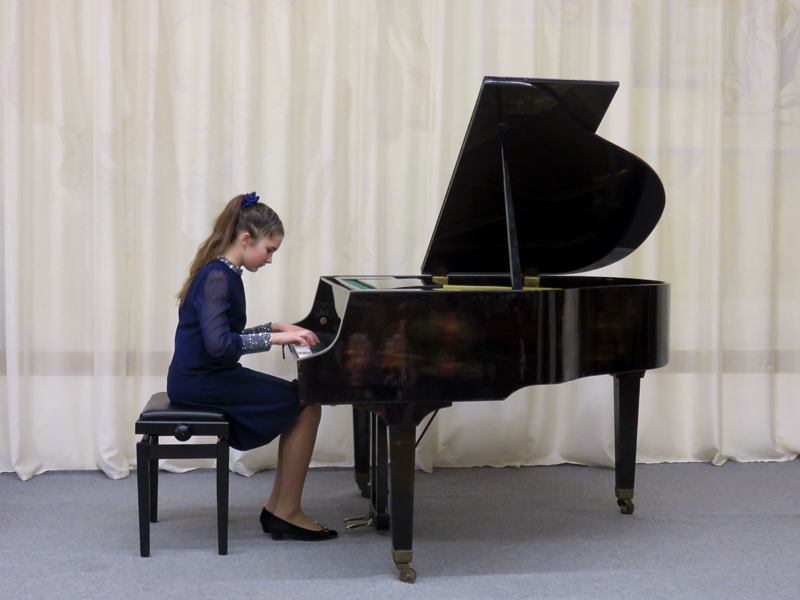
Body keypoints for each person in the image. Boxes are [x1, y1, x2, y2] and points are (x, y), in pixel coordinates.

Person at [167, 192, 337, 542]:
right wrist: (275, 339)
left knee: (302, 400)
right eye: (269, 250)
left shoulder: (223, 272)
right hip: (201, 381)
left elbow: (223, 337)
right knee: (306, 402)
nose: (270, 259)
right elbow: (219, 346)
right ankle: (286, 512)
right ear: (246, 239)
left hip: (205, 376)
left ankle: (279, 508)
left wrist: (274, 327)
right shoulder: (218, 277)